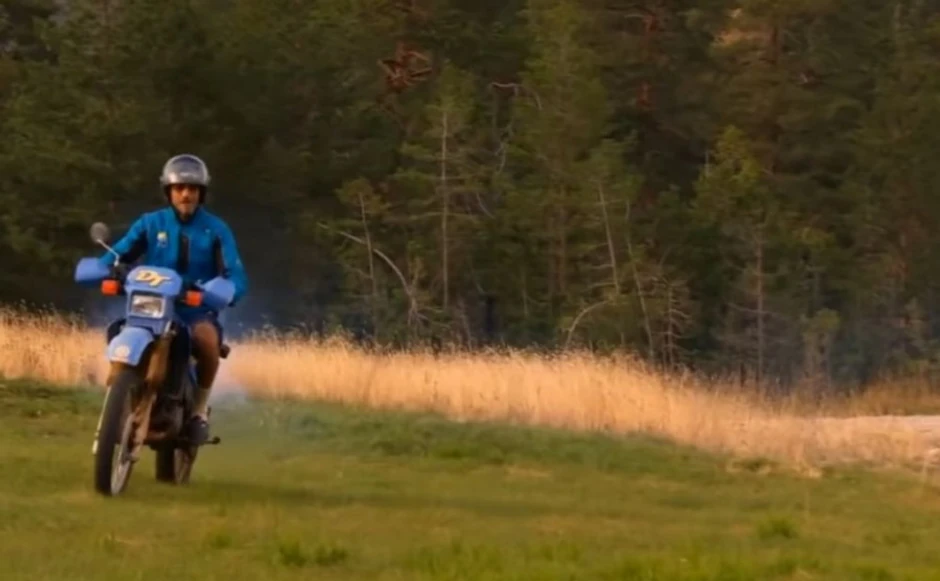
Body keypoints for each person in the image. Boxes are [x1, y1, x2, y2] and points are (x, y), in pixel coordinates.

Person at [98, 154, 248, 443]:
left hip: (194, 307)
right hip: (148, 304)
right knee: (117, 330)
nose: (186, 194)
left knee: (206, 341)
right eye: (179, 188)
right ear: (168, 191)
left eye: (192, 188)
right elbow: (118, 252)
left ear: (201, 193)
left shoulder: (216, 230)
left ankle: (199, 412)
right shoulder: (150, 223)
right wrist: (103, 267)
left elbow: (236, 273)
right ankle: (118, 396)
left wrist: (227, 290)